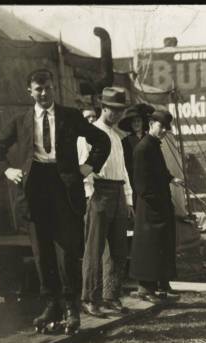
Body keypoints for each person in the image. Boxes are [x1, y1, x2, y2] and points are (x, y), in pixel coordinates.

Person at [0, 68, 111, 334]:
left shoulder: (70, 116)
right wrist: (7, 169)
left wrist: (88, 167)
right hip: (34, 190)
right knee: (42, 254)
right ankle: (51, 305)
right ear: (29, 91)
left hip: (63, 188)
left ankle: (72, 308)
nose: (44, 93)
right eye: (38, 89)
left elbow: (101, 140)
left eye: (48, 88)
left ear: (54, 88)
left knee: (67, 253)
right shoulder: (21, 121)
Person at [77, 87, 133, 317]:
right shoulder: (88, 133)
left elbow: (123, 170)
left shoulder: (117, 137)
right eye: (114, 110)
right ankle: (90, 298)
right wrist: (91, 195)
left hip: (118, 192)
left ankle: (111, 295)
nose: (118, 115)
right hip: (99, 192)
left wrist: (128, 199)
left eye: (121, 111)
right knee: (94, 249)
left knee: (118, 249)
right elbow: (83, 167)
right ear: (103, 107)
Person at [129, 110, 183, 302]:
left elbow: (159, 171)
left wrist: (171, 178)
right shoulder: (142, 148)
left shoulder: (154, 146)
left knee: (162, 245)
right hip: (150, 207)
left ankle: (162, 284)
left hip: (160, 204)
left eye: (166, 129)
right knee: (149, 248)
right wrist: (158, 202)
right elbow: (142, 185)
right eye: (161, 127)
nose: (163, 131)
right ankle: (146, 289)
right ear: (151, 124)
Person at [119, 103, 155, 207]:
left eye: (138, 121)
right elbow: (125, 161)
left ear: (143, 123)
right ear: (131, 124)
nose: (136, 124)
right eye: (134, 122)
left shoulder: (150, 139)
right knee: (137, 202)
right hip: (134, 177)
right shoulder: (125, 142)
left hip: (149, 177)